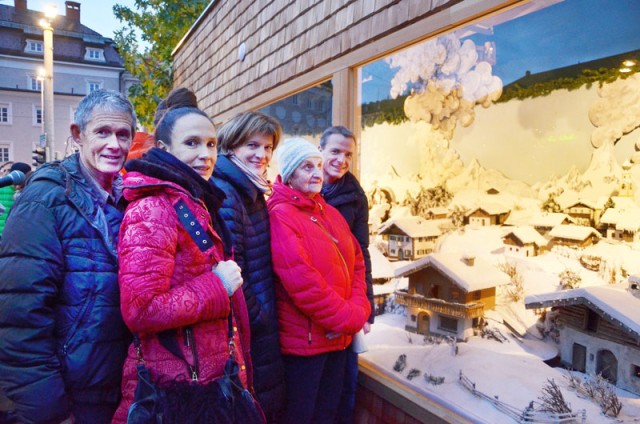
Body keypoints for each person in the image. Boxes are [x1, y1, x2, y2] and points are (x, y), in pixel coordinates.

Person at [111, 89, 254, 422]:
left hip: (205, 384)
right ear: (163, 149)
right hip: (174, 392)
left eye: (211, 144)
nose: (205, 154)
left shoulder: (194, 199)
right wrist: (217, 286)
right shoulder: (153, 207)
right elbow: (141, 309)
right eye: (191, 143)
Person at [0, 89, 136, 423]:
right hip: (70, 396)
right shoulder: (45, 199)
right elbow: (19, 319)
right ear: (78, 135)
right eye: (102, 133)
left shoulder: (127, 198)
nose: (114, 145)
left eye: (123, 135)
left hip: (115, 389)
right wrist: (50, 411)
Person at [267, 138, 371, 424]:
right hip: (307, 346)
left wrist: (358, 309)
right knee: (303, 416)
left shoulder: (328, 212)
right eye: (307, 167)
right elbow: (304, 284)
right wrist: (350, 318)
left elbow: (357, 261)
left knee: (329, 414)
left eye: (318, 166)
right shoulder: (281, 215)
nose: (317, 173)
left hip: (338, 339)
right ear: (289, 173)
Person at [212, 111, 286, 422]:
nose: (262, 155)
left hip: (259, 322)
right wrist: (260, 316)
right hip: (251, 326)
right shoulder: (229, 191)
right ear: (231, 145)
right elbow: (233, 265)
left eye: (268, 148)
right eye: (253, 146)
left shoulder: (250, 188)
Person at [319, 126, 375, 423]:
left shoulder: (355, 196)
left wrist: (366, 308)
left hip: (346, 296)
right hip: (313, 299)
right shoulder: (306, 186)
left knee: (344, 384)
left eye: (348, 154)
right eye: (335, 151)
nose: (341, 159)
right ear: (321, 151)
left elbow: (361, 252)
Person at [0, 161, 15, 236]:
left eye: (9, 170)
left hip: (10, 232)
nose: (6, 172)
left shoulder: (17, 188)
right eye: (4, 170)